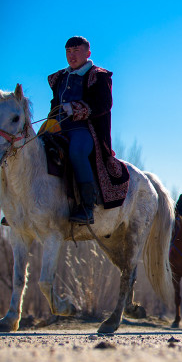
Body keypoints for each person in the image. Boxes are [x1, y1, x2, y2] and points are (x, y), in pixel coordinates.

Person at [47, 36, 128, 224]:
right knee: (35, 149)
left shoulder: (98, 75)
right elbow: (54, 104)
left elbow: (104, 104)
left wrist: (75, 108)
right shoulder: (60, 78)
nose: (71, 55)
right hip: (59, 128)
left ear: (87, 53)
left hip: (84, 129)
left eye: (76, 51)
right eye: (68, 51)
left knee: (77, 151)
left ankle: (87, 206)